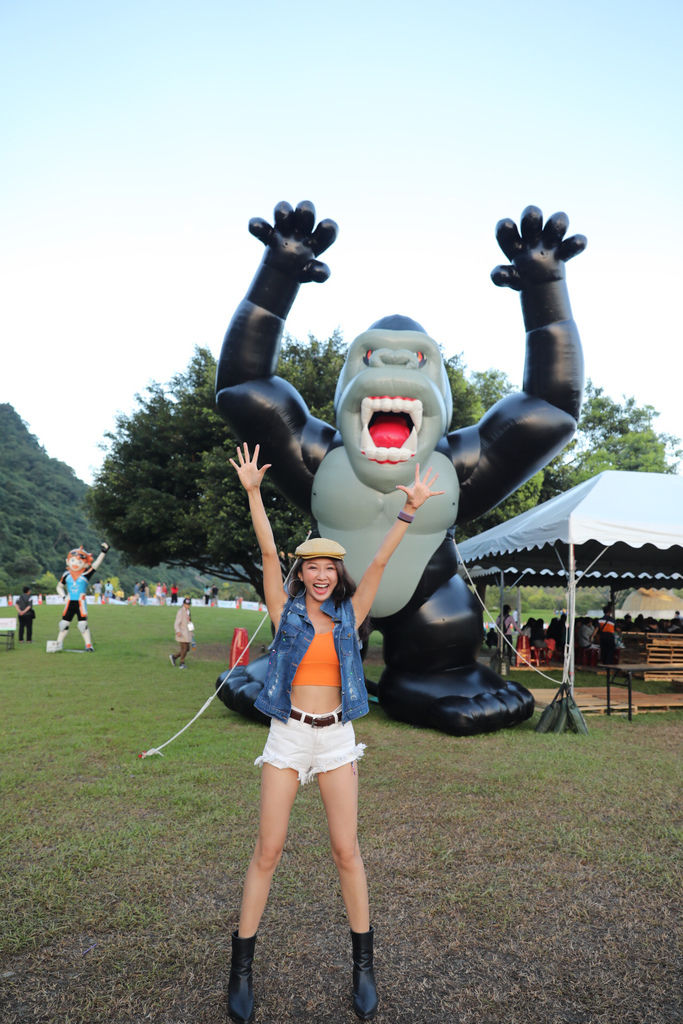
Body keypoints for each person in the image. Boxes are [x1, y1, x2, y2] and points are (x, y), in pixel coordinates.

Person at [226, 443, 443, 1024]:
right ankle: (240, 970)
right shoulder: (285, 611)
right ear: (302, 574)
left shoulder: (352, 612)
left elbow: (378, 565)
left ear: (336, 573)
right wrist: (253, 493)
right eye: (311, 568)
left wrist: (409, 511)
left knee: (347, 851)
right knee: (267, 851)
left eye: (329, 568)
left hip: (337, 742)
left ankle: (363, 967)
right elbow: (269, 552)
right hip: (288, 739)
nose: (320, 576)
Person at [53, 543, 109, 652]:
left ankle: (88, 645)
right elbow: (59, 587)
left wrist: (103, 552)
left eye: (79, 562)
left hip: (80, 602)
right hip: (69, 602)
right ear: (68, 561)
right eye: (73, 560)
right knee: (64, 624)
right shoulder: (66, 575)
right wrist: (64, 597)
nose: (75, 564)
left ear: (85, 564)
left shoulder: (86, 574)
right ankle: (58, 644)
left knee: (83, 624)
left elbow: (96, 564)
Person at [170, 598, 193, 669]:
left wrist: (192, 630)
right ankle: (182, 663)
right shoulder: (180, 612)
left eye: (188, 604)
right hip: (182, 633)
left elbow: (189, 622)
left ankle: (174, 657)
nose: (187, 606)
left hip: (188, 633)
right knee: (184, 648)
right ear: (183, 604)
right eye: (186, 604)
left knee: (187, 649)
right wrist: (178, 631)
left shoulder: (188, 611)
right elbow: (176, 623)